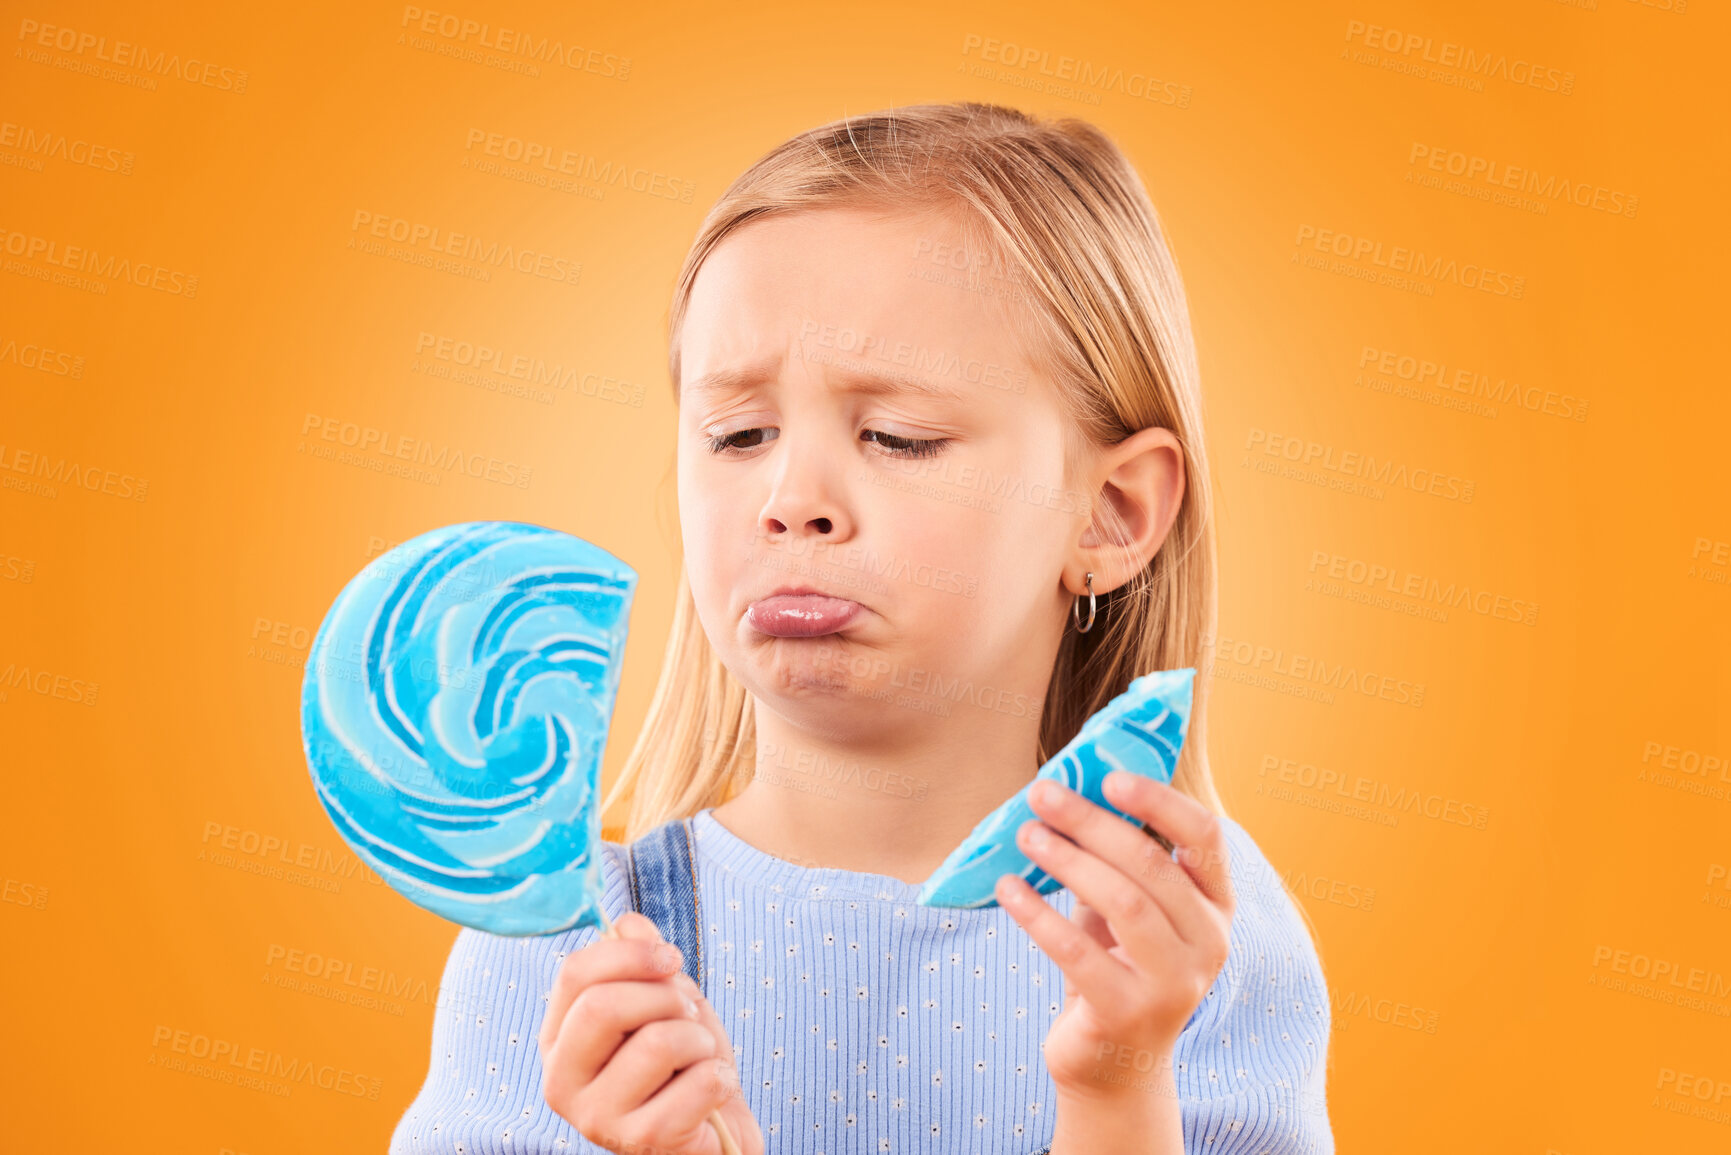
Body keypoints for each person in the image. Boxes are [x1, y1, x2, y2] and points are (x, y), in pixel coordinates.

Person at [390, 100, 1333, 1155]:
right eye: (738, 433)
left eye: (898, 436)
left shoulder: (1189, 931)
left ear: (1112, 514)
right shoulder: (557, 951)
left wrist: (1119, 1087)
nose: (793, 499)